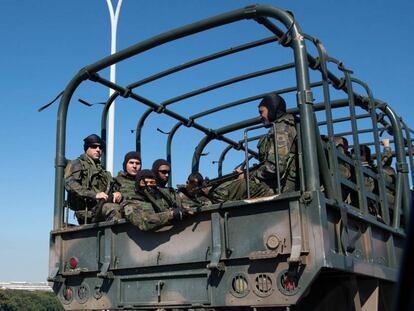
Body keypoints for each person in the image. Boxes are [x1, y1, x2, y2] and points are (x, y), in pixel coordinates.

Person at [212, 93, 297, 202]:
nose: (260, 116)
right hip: (281, 185)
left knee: (219, 191)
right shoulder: (290, 125)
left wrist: (247, 175)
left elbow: (275, 167)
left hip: (278, 189)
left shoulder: (280, 129)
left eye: (262, 112)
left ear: (272, 108)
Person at [64, 134, 122, 224]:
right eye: (94, 146)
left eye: (100, 147)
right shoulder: (78, 164)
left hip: (102, 206)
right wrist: (94, 195)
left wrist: (117, 193)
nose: (98, 150)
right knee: (113, 209)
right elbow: (70, 184)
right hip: (87, 210)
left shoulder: (102, 170)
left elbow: (111, 186)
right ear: (87, 148)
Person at [122, 170, 190, 231]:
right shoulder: (130, 204)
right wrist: (171, 214)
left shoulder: (159, 201)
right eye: (144, 183)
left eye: (152, 182)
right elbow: (144, 222)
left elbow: (165, 212)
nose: (148, 185)